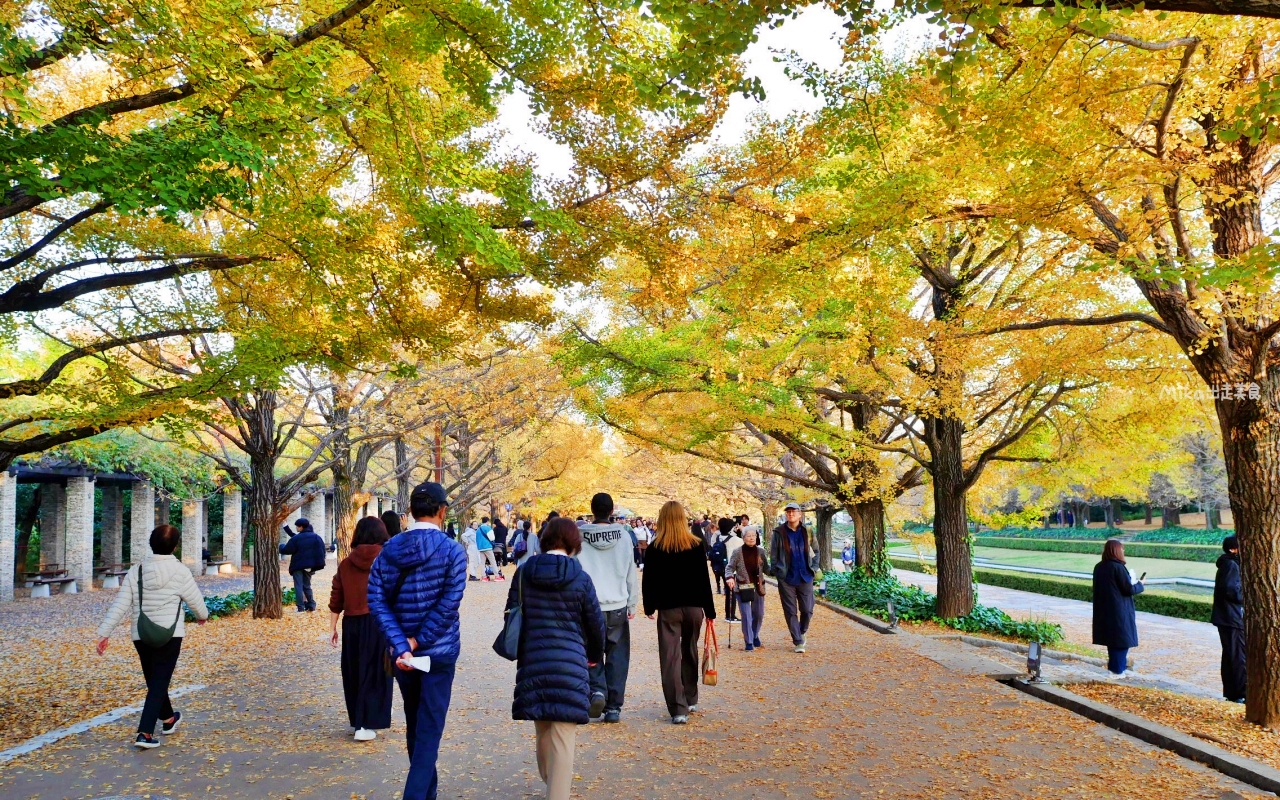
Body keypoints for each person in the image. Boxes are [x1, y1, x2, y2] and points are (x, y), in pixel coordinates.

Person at [368, 481, 467, 800]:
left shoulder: (388, 551)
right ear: (442, 511)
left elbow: (377, 600)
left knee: (417, 725)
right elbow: (449, 603)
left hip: (404, 658)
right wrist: (414, 641)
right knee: (428, 733)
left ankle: (429, 794)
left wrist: (401, 643)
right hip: (438, 654)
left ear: (410, 511)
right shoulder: (453, 551)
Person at [508, 517, 606, 800]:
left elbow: (512, 613)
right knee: (564, 735)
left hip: (534, 659)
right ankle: (557, 793)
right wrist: (593, 657)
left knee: (543, 727)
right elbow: (595, 624)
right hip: (570, 662)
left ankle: (550, 781)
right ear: (575, 543)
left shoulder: (525, 573)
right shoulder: (580, 578)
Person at [96, 525, 210, 749]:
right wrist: (202, 616)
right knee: (158, 681)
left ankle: (168, 719)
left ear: (151, 543)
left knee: (155, 680)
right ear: (175, 546)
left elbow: (121, 604)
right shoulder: (181, 571)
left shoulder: (137, 570)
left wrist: (104, 632)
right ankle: (145, 732)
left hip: (141, 633)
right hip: (171, 634)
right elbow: (195, 601)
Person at [641, 500, 716, 724]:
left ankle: (678, 708)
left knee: (670, 656)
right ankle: (691, 696)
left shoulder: (655, 547)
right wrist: (710, 610)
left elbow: (649, 580)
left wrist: (649, 606)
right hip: (694, 607)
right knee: (690, 650)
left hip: (669, 608)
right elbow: (704, 580)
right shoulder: (695, 545)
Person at [576, 492, 640, 723]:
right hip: (617, 604)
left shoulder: (580, 537)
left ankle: (596, 691)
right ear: (611, 511)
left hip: (588, 605)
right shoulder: (623, 537)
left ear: (592, 511)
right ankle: (613, 706)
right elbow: (630, 572)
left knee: (590, 652)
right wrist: (632, 602)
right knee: (617, 655)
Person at [330, 516, 395, 741]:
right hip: (379, 622)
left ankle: (359, 722)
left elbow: (336, 597)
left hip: (352, 623)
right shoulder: (387, 560)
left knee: (355, 671)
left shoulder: (346, 563)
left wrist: (332, 628)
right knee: (379, 671)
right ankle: (371, 720)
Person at [768, 502, 819, 653]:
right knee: (790, 610)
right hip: (786, 577)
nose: (791, 514)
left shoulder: (808, 531)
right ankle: (798, 641)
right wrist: (777, 572)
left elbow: (816, 551)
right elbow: (774, 554)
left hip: (805, 575)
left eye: (793, 512)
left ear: (799, 514)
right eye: (788, 512)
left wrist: (814, 569)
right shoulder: (779, 532)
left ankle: (802, 631)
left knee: (807, 609)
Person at [1092, 538, 1144, 677]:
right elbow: (1128, 589)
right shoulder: (1118, 567)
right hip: (1119, 610)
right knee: (1121, 641)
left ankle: (1116, 669)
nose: (1123, 551)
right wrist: (1140, 584)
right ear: (1116, 550)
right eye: (1122, 548)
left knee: (1113, 641)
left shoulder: (1099, 566)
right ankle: (1117, 671)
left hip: (1105, 609)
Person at [1212, 535, 1246, 703]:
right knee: (1238, 655)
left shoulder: (1228, 564)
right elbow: (1232, 591)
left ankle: (1233, 692)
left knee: (1231, 655)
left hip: (1228, 617)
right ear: (1233, 549)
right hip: (1231, 618)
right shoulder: (1231, 565)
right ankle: (1241, 692)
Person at [726, 527, 767, 650]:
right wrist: (730, 578)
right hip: (743, 587)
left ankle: (754, 635)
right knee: (746, 615)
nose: (751, 538)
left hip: (758, 586)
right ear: (743, 538)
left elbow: (767, 568)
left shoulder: (761, 552)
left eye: (753, 535)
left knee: (759, 614)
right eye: (748, 535)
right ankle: (749, 641)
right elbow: (729, 567)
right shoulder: (737, 552)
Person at [280, 517, 327, 612]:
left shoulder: (297, 538)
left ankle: (300, 607)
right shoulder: (316, 537)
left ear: (301, 527)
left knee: (298, 586)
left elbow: (287, 549)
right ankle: (311, 605)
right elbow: (322, 550)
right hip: (310, 566)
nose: (297, 528)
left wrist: (280, 546)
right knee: (307, 586)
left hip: (298, 565)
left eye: (297, 527)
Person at [720, 519, 743, 621]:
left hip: (720, 567)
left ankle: (728, 614)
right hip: (731, 570)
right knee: (732, 592)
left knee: (728, 591)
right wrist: (742, 531)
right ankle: (730, 615)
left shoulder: (718, 537)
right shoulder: (736, 540)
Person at [708, 521, 731, 596]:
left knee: (717, 574)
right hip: (725, 556)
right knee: (724, 574)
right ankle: (725, 588)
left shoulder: (716, 535)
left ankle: (718, 588)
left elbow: (712, 545)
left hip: (717, 558)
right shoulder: (731, 535)